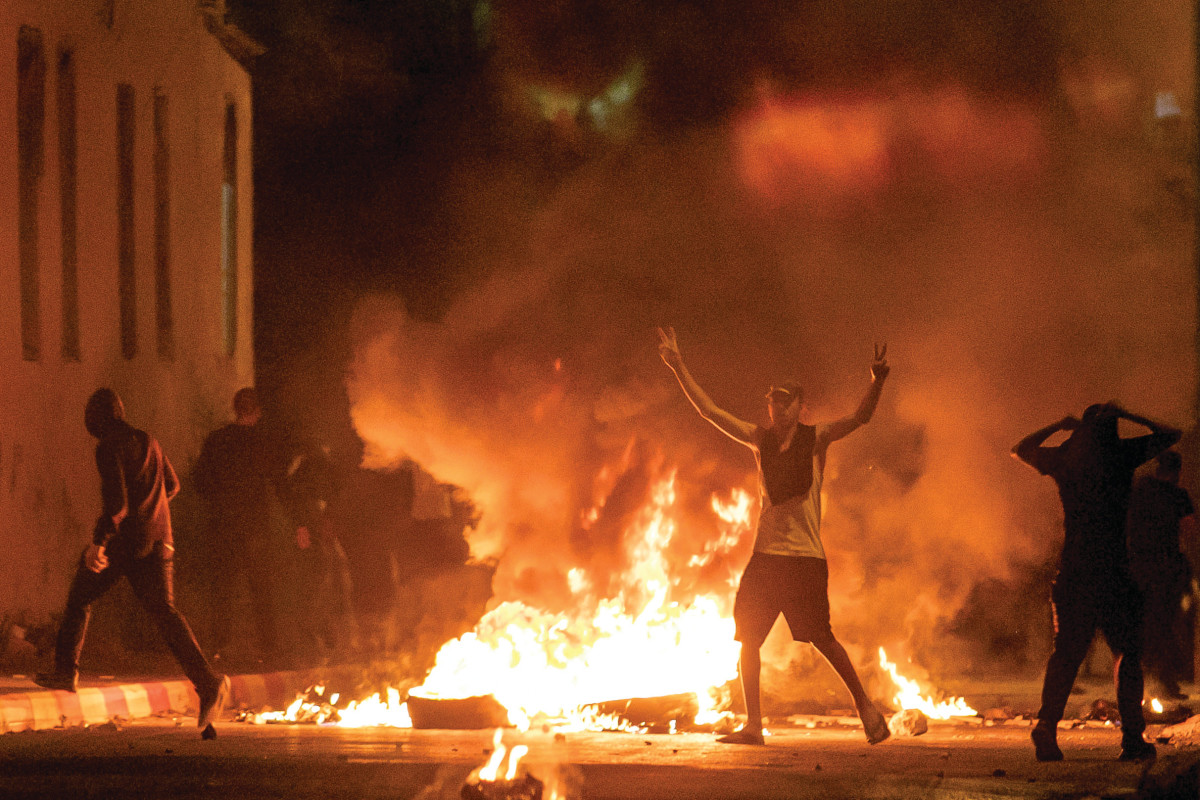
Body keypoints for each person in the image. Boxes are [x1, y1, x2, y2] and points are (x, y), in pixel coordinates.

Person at [658, 327, 892, 746]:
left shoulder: (816, 438)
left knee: (822, 638)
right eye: (773, 402)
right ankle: (753, 726)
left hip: (804, 559)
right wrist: (678, 366)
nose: (778, 408)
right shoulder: (759, 439)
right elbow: (710, 412)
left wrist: (876, 384)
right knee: (748, 638)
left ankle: (866, 708)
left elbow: (860, 418)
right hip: (766, 558)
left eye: (786, 401)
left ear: (801, 406)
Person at [35, 389, 229, 731]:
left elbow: (117, 505)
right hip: (158, 542)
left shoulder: (108, 446)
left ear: (98, 417)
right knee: (166, 614)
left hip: (126, 545)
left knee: (80, 594)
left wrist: (99, 543)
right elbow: (172, 485)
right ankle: (208, 683)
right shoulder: (148, 440)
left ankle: (66, 672)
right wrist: (148, 511)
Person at [1013, 403, 1180, 762]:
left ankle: (1046, 724)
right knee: (1127, 654)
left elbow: (1020, 450)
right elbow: (1171, 436)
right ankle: (1133, 738)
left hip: (1074, 574)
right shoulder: (1121, 455)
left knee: (1066, 655)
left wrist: (1058, 423)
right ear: (1112, 430)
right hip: (1114, 573)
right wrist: (1131, 414)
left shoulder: (1066, 460)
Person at [193, 387, 284, 667]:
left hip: (223, 525)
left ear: (235, 408)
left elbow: (199, 480)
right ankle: (268, 650)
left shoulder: (217, 440)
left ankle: (218, 647)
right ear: (257, 411)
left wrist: (219, 500)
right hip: (255, 526)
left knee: (222, 588)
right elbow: (278, 481)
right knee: (262, 589)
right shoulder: (263, 442)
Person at [282, 438, 360, 661]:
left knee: (329, 578)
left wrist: (324, 521)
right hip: (313, 530)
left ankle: (328, 635)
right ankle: (317, 635)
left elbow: (329, 496)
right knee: (319, 579)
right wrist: (303, 526)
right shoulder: (311, 464)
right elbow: (299, 497)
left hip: (317, 528)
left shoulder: (315, 464)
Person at [1127, 449, 1195, 700]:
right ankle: (1164, 682)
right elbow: (1188, 531)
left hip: (1137, 567)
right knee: (1165, 626)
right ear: (1177, 472)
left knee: (1140, 626)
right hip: (1166, 570)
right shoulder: (1178, 495)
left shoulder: (1140, 491)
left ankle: (1137, 684)